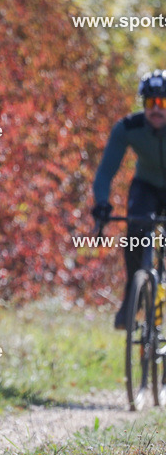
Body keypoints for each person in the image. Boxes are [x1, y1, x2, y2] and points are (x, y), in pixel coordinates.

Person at [92, 70, 166, 329]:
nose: (156, 109)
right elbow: (104, 172)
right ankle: (133, 299)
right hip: (146, 186)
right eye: (150, 103)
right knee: (135, 232)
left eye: (163, 103)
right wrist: (101, 202)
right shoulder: (128, 128)